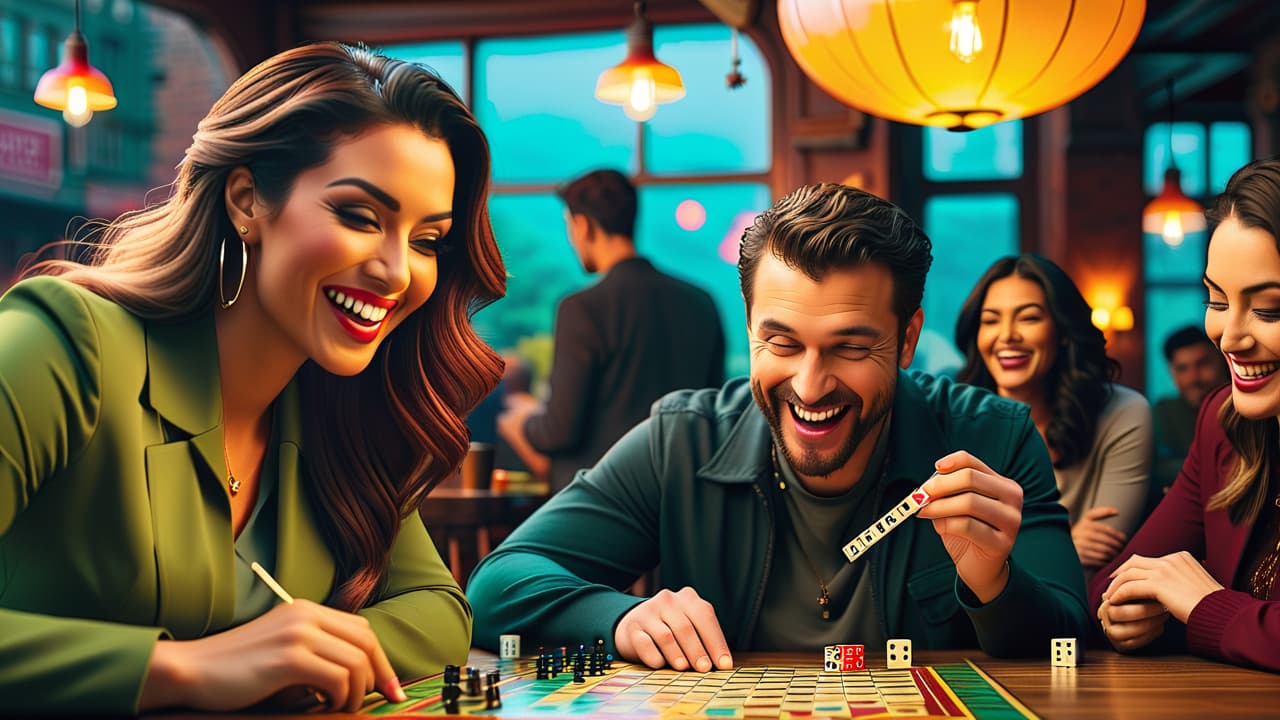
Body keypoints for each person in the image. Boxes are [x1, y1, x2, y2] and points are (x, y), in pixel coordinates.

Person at [0, 42, 505, 713]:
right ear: (246, 200)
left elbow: (439, 612)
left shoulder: (343, 405)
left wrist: (309, 653)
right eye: (359, 217)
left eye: (425, 239)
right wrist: (179, 669)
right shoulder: (62, 344)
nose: (396, 271)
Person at [470, 183, 1090, 670]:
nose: (810, 385)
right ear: (750, 329)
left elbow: (1071, 637)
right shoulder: (682, 440)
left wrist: (995, 582)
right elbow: (496, 587)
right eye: (782, 342)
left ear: (907, 339)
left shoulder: (995, 436)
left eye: (849, 347)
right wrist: (619, 618)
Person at [1093, 158, 1280, 672]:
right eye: (1217, 300)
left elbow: (1201, 606)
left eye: (1269, 310)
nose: (1230, 336)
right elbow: (1113, 582)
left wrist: (1202, 608)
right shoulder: (1221, 422)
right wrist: (1129, 613)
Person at [497, 169, 725, 492]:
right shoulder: (702, 303)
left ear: (583, 225)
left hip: (601, 500)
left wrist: (524, 419)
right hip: (683, 494)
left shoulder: (582, 308)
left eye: (570, 228)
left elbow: (559, 431)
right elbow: (712, 413)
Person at [954, 255, 1152, 575]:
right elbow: (944, 563)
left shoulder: (1123, 413)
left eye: (1028, 318)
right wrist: (1068, 544)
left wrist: (998, 553)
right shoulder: (956, 418)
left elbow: (1100, 558)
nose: (1007, 335)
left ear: (1062, 331)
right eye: (990, 320)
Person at [1151, 326, 1229, 496]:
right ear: (1172, 373)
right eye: (1182, 368)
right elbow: (1156, 469)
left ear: (1222, 360)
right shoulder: (1164, 411)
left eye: (1202, 364)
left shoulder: (1245, 406)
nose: (1193, 378)